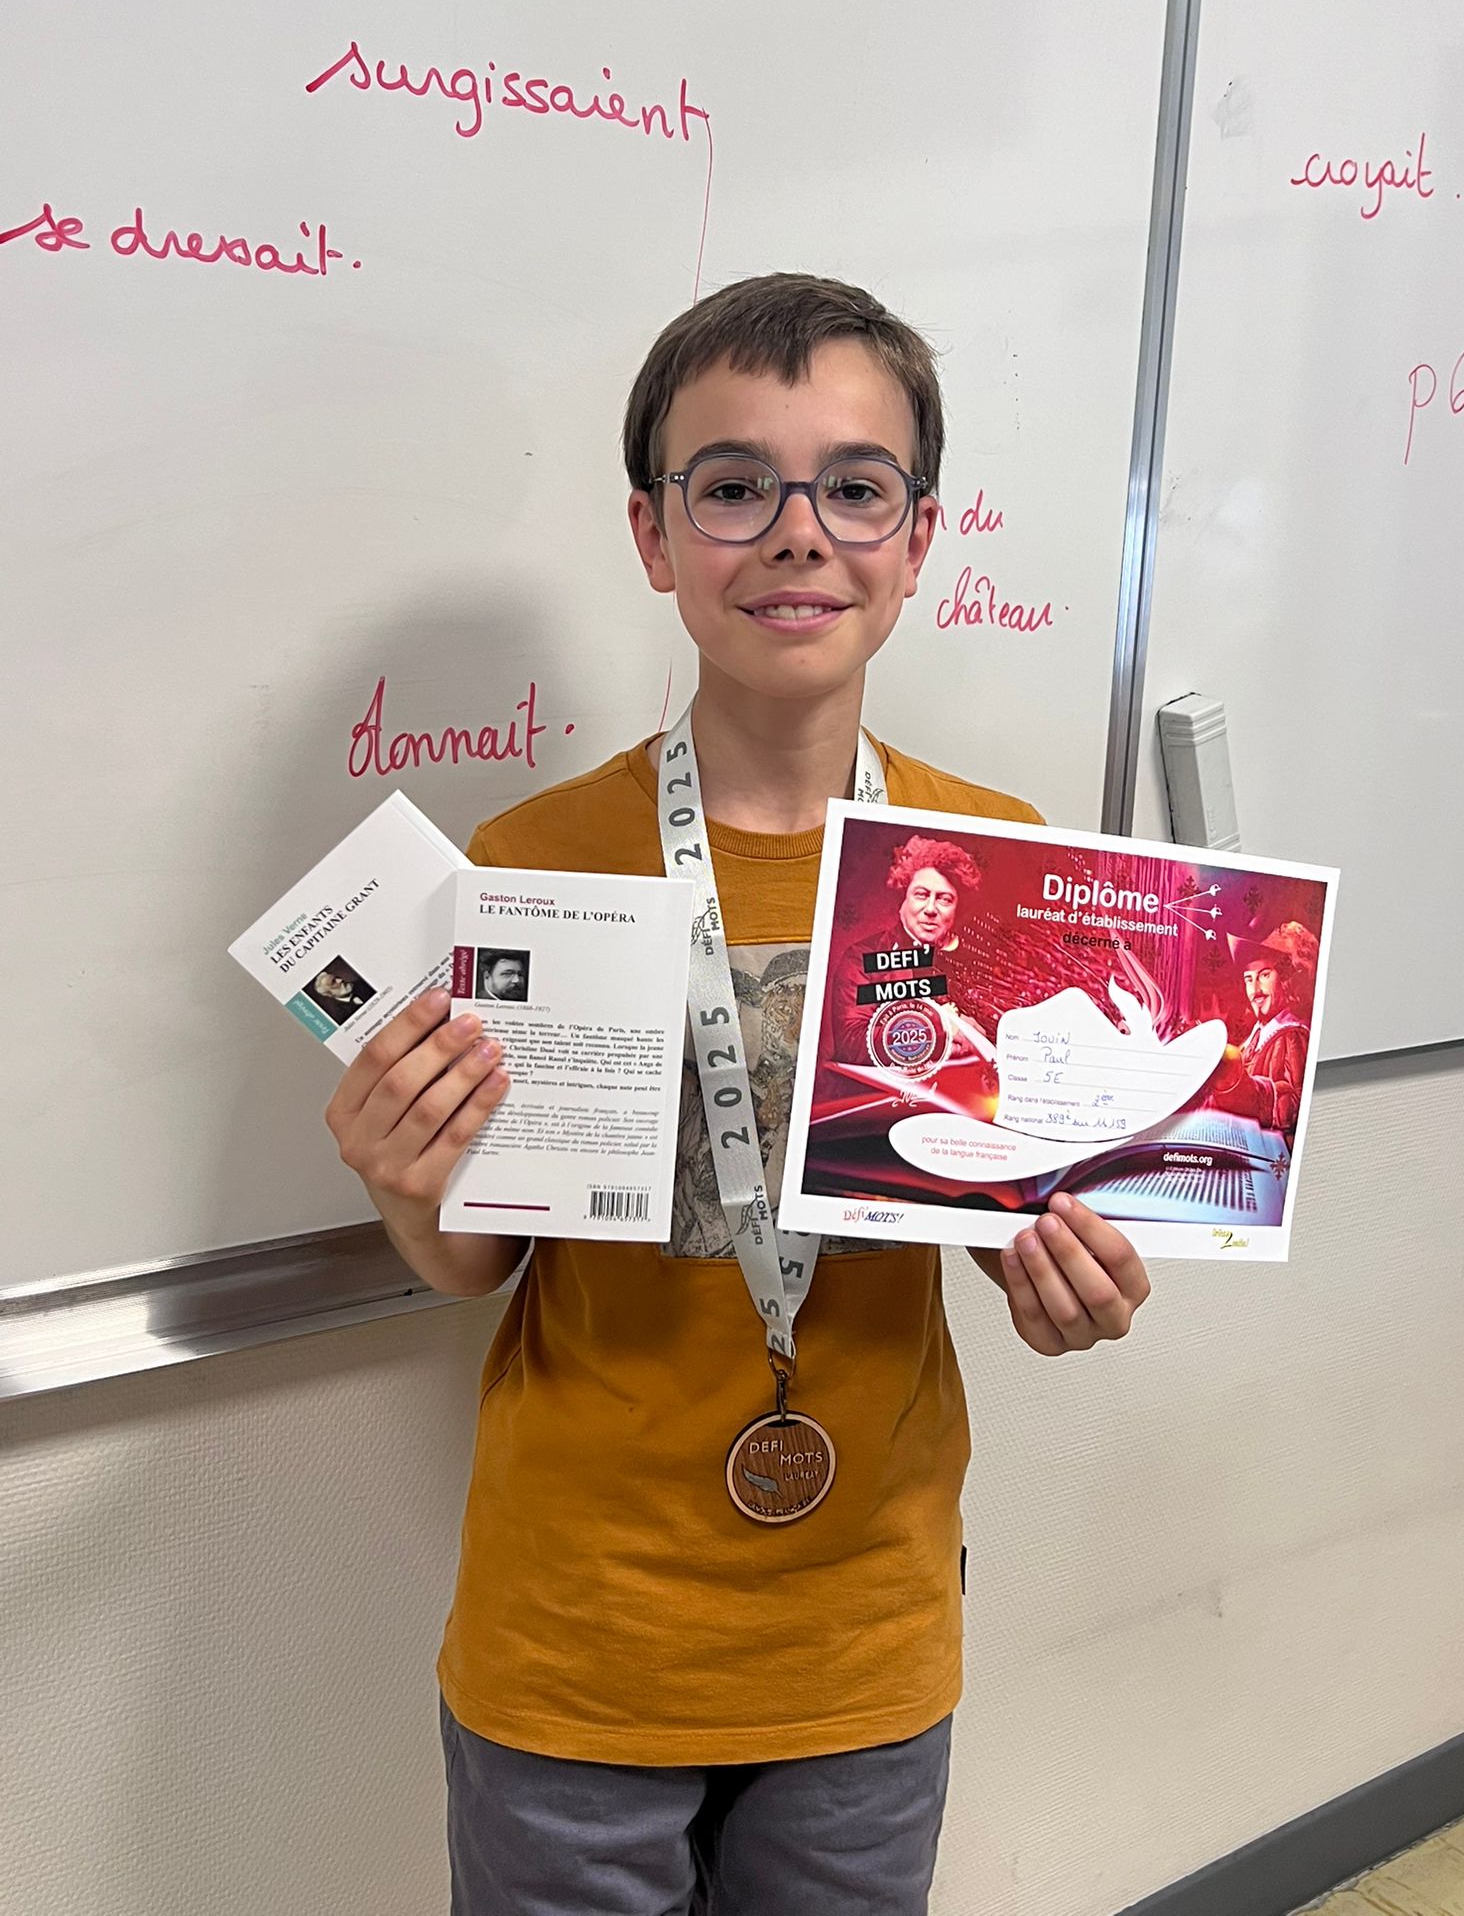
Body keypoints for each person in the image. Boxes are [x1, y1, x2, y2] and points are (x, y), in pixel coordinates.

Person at [322, 273, 1152, 1916]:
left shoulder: (993, 863)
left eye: (855, 486)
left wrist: (1062, 1279)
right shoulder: (533, 860)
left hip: (861, 1636)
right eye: (733, 486)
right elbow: (479, 1263)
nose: (797, 534)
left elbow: (997, 1206)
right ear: (654, 534)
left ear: (919, 538)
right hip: (578, 1639)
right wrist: (405, 1180)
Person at [830, 833, 989, 1066]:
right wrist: (938, 1030)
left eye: (944, 899)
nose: (931, 909)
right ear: (903, 898)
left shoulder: (971, 962)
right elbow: (851, 1043)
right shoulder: (863, 959)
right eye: (921, 895)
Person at [1206, 921, 1318, 1135]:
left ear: (1285, 979)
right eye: (1249, 979)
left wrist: (1243, 1084)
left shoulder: (1293, 1035)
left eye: (1265, 975)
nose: (1255, 990)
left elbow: (1295, 1107)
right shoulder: (1254, 1036)